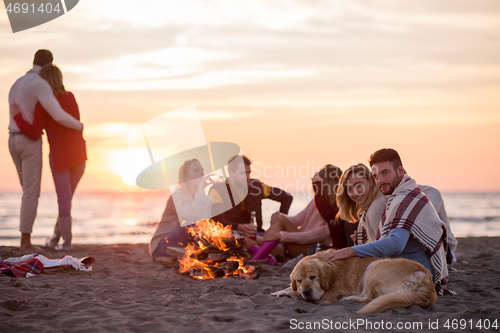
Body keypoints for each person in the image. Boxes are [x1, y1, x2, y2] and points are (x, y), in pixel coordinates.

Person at [325, 148, 451, 295]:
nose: (381, 180)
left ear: (400, 171)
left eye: (385, 173)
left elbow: (393, 245)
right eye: (376, 176)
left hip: (414, 278)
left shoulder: (385, 204)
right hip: (413, 273)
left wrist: (350, 251)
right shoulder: (399, 196)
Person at [8, 50, 83, 252]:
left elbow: (37, 123)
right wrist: (79, 125)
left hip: (14, 139)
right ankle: (33, 241)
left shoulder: (17, 83)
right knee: (39, 194)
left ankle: (54, 239)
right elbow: (58, 115)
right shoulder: (46, 88)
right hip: (53, 147)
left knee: (29, 191)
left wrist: (16, 117)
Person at [209, 155, 293, 261]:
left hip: (257, 234)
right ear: (231, 173)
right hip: (231, 236)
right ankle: (266, 258)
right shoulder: (217, 190)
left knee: (280, 249)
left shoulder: (257, 186)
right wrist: (239, 227)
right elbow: (217, 222)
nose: (247, 177)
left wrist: (277, 222)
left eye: (249, 173)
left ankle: (261, 257)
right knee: (243, 241)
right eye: (243, 173)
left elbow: (287, 198)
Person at [263, 164, 348, 258]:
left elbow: (313, 236)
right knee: (278, 218)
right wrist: (279, 218)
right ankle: (259, 258)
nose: (314, 185)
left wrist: (281, 235)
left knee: (275, 228)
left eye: (317, 183)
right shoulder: (316, 201)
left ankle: (258, 258)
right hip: (300, 242)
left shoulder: (332, 207)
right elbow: (297, 219)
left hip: (312, 249)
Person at [149, 159, 212, 260]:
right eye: (196, 171)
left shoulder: (199, 197)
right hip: (163, 245)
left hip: (182, 245)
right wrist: (201, 188)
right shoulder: (178, 194)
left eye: (202, 171)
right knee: (193, 226)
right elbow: (193, 215)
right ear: (186, 177)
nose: (201, 174)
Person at [336, 163, 387, 245]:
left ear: (370, 181)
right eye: (349, 189)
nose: (355, 193)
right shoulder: (369, 208)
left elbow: (382, 248)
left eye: (358, 185)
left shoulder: (376, 207)